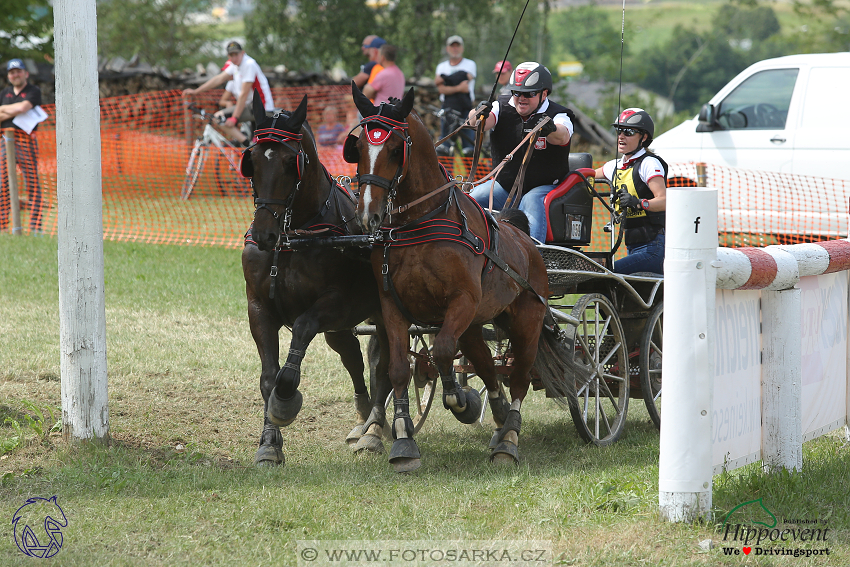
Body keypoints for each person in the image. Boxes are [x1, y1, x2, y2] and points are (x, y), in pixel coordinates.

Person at [466, 62, 574, 243]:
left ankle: (533, 258)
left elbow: (562, 136)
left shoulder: (560, 114)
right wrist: (478, 113)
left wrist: (551, 129)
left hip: (543, 187)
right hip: (504, 187)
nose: (521, 98)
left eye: (529, 93)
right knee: (472, 199)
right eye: (517, 93)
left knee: (530, 201)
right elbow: (479, 123)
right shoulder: (501, 106)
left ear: (544, 93)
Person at [594, 108, 667, 275]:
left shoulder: (649, 163)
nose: (621, 136)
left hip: (653, 249)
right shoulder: (615, 166)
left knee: (607, 273)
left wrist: (638, 203)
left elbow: (664, 200)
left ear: (644, 137)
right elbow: (585, 176)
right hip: (632, 246)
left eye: (628, 132)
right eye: (619, 130)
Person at [182, 41, 274, 145]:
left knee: (218, 118)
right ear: (228, 56)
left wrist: (235, 117)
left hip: (262, 107)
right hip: (250, 106)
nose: (234, 58)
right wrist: (195, 91)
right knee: (219, 117)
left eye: (236, 54)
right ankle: (246, 143)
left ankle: (247, 144)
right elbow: (218, 79)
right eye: (231, 55)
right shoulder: (234, 65)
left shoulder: (249, 64)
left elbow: (243, 94)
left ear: (242, 53)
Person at [0, 59, 43, 233]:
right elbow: (16, 110)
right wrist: (13, 109)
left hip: (26, 142)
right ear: (9, 75)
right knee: (2, 184)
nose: (15, 75)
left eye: (18, 71)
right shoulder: (5, 92)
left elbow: (24, 108)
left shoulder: (33, 91)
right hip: (4, 142)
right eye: (12, 72)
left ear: (26, 73)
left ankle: (35, 226)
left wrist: (4, 110)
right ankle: (2, 224)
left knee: (32, 183)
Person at [435, 35, 477, 157]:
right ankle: (447, 175)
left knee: (468, 149)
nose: (455, 49)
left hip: (466, 110)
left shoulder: (470, 64)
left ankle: (472, 175)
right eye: (452, 46)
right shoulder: (441, 66)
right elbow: (441, 89)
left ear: (462, 48)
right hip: (448, 110)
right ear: (448, 49)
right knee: (445, 148)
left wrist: (445, 79)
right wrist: (459, 84)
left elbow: (466, 83)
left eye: (457, 46)